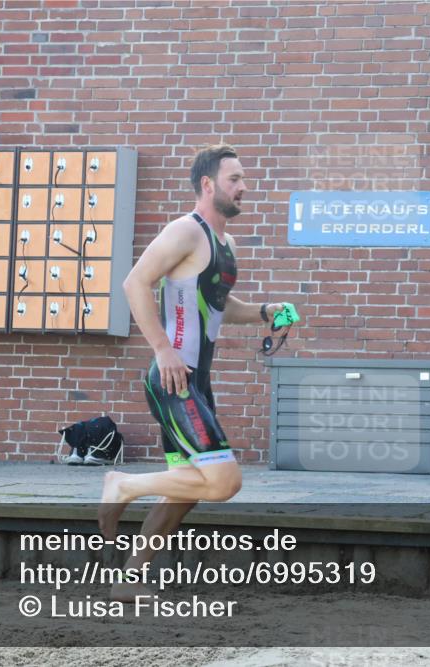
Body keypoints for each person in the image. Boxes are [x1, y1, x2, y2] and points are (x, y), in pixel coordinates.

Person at [98, 144, 295, 599]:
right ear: (208, 184)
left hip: (196, 383)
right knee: (223, 481)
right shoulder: (185, 230)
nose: (243, 187)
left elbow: (219, 307)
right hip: (175, 378)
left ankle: (128, 581)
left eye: (243, 179)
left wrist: (265, 311)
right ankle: (122, 485)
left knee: (185, 489)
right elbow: (135, 282)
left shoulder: (226, 243)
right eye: (234, 179)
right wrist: (162, 349)